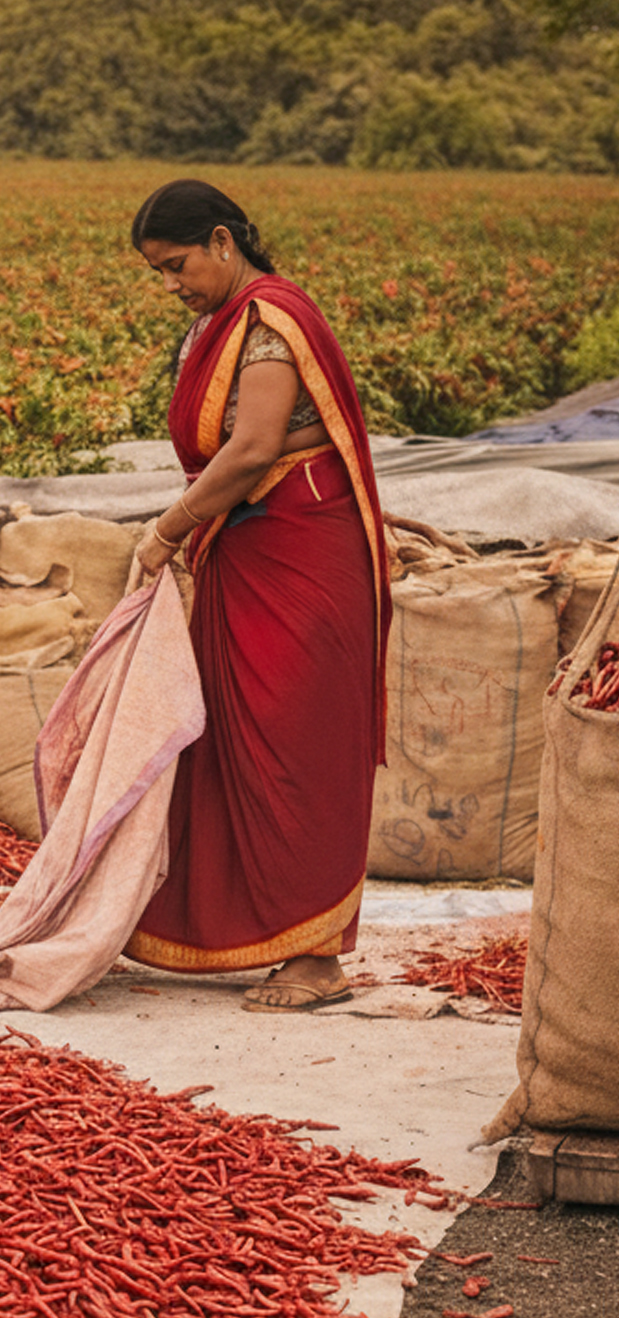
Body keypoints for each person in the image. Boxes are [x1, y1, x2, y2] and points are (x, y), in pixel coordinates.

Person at [126, 180, 391, 1012]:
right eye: (159, 274)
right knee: (235, 739)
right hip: (248, 545)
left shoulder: (272, 321)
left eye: (178, 266)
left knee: (297, 742)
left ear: (221, 240)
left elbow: (251, 450)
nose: (172, 284)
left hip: (303, 548)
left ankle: (316, 957)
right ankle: (261, 930)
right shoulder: (216, 326)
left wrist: (166, 529)